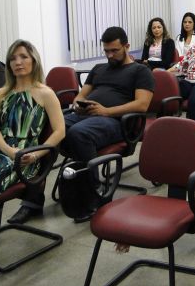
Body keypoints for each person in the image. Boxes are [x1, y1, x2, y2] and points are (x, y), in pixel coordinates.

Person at [64, 26, 154, 222]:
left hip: (116, 121)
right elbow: (82, 93)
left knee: (78, 133)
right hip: (87, 115)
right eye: (106, 51)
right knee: (55, 126)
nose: (110, 55)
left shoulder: (140, 70)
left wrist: (105, 111)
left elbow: (142, 104)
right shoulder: (99, 69)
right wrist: (77, 104)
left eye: (115, 50)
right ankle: (41, 195)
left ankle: (96, 194)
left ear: (127, 46)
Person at [0, 39, 65, 223]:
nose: (18, 62)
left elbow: (59, 131)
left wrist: (36, 155)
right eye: (13, 58)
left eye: (24, 57)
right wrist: (8, 150)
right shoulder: (1, 93)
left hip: (26, 156)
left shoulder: (45, 93)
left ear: (34, 60)